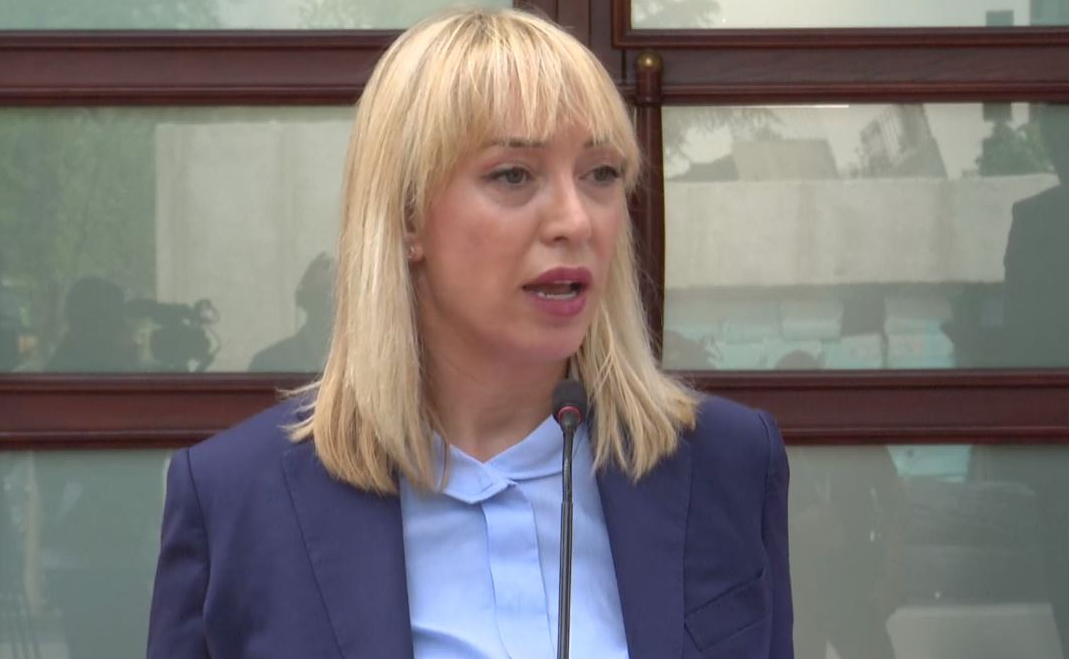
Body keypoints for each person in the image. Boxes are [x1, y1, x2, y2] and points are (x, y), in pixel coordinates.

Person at [147, 7, 793, 659]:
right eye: (514, 174)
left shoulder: (727, 465)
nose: (576, 220)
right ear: (408, 217)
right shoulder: (237, 498)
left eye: (600, 173)